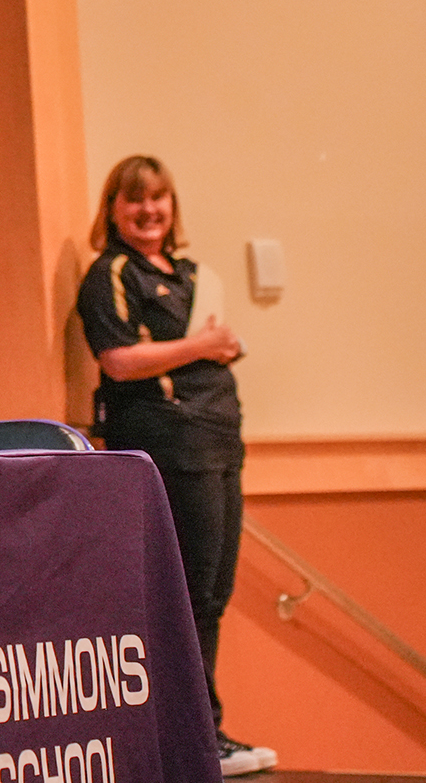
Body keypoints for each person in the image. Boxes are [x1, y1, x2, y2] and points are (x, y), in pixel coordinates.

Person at [76, 155, 274, 777]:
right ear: (113, 210)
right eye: (134, 201)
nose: (148, 211)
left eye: (158, 199)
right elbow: (118, 360)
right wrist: (206, 346)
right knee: (185, 592)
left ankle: (205, 728)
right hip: (169, 444)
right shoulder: (109, 273)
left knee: (213, 593)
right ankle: (192, 735)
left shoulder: (193, 274)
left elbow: (214, 349)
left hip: (219, 441)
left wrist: (222, 347)